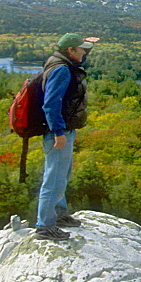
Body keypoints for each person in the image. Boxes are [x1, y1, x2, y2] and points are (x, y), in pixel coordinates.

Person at [34, 33, 98, 241]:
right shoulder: (61, 70)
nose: (84, 52)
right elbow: (51, 104)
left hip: (63, 130)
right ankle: (45, 225)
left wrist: (88, 46)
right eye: (81, 49)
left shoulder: (60, 61)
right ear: (70, 51)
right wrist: (58, 132)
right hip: (58, 132)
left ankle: (59, 214)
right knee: (54, 178)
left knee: (63, 174)